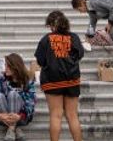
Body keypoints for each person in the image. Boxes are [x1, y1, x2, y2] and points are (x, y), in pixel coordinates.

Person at [34, 11, 84, 141]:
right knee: (72, 115)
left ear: (51, 25)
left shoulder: (46, 39)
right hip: (72, 80)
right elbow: (79, 54)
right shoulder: (74, 37)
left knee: (56, 115)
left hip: (52, 81)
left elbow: (40, 60)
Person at [0, 53, 37, 141]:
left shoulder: (27, 80)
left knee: (13, 94)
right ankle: (14, 127)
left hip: (21, 116)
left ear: (15, 67)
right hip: (4, 116)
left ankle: (12, 128)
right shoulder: (2, 78)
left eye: (8, 66)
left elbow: (31, 102)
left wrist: (20, 116)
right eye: (5, 65)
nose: (5, 68)